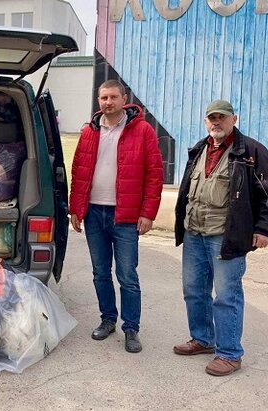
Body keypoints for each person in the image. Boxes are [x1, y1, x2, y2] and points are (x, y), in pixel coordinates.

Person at [173, 100, 268, 376]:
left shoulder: (251, 152)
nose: (216, 122)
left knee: (226, 295)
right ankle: (202, 339)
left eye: (222, 118)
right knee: (194, 290)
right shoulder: (200, 148)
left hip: (226, 236)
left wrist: (264, 229)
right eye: (211, 118)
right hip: (194, 232)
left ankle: (229, 353)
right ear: (205, 121)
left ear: (233, 119)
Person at [68, 79, 163, 353]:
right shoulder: (89, 131)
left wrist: (147, 213)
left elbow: (155, 174)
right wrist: (77, 208)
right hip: (94, 213)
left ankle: (131, 328)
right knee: (100, 273)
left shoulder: (142, 130)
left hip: (126, 215)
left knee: (127, 275)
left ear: (124, 99)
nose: (107, 102)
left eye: (112, 97)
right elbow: (79, 171)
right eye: (103, 98)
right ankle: (107, 319)